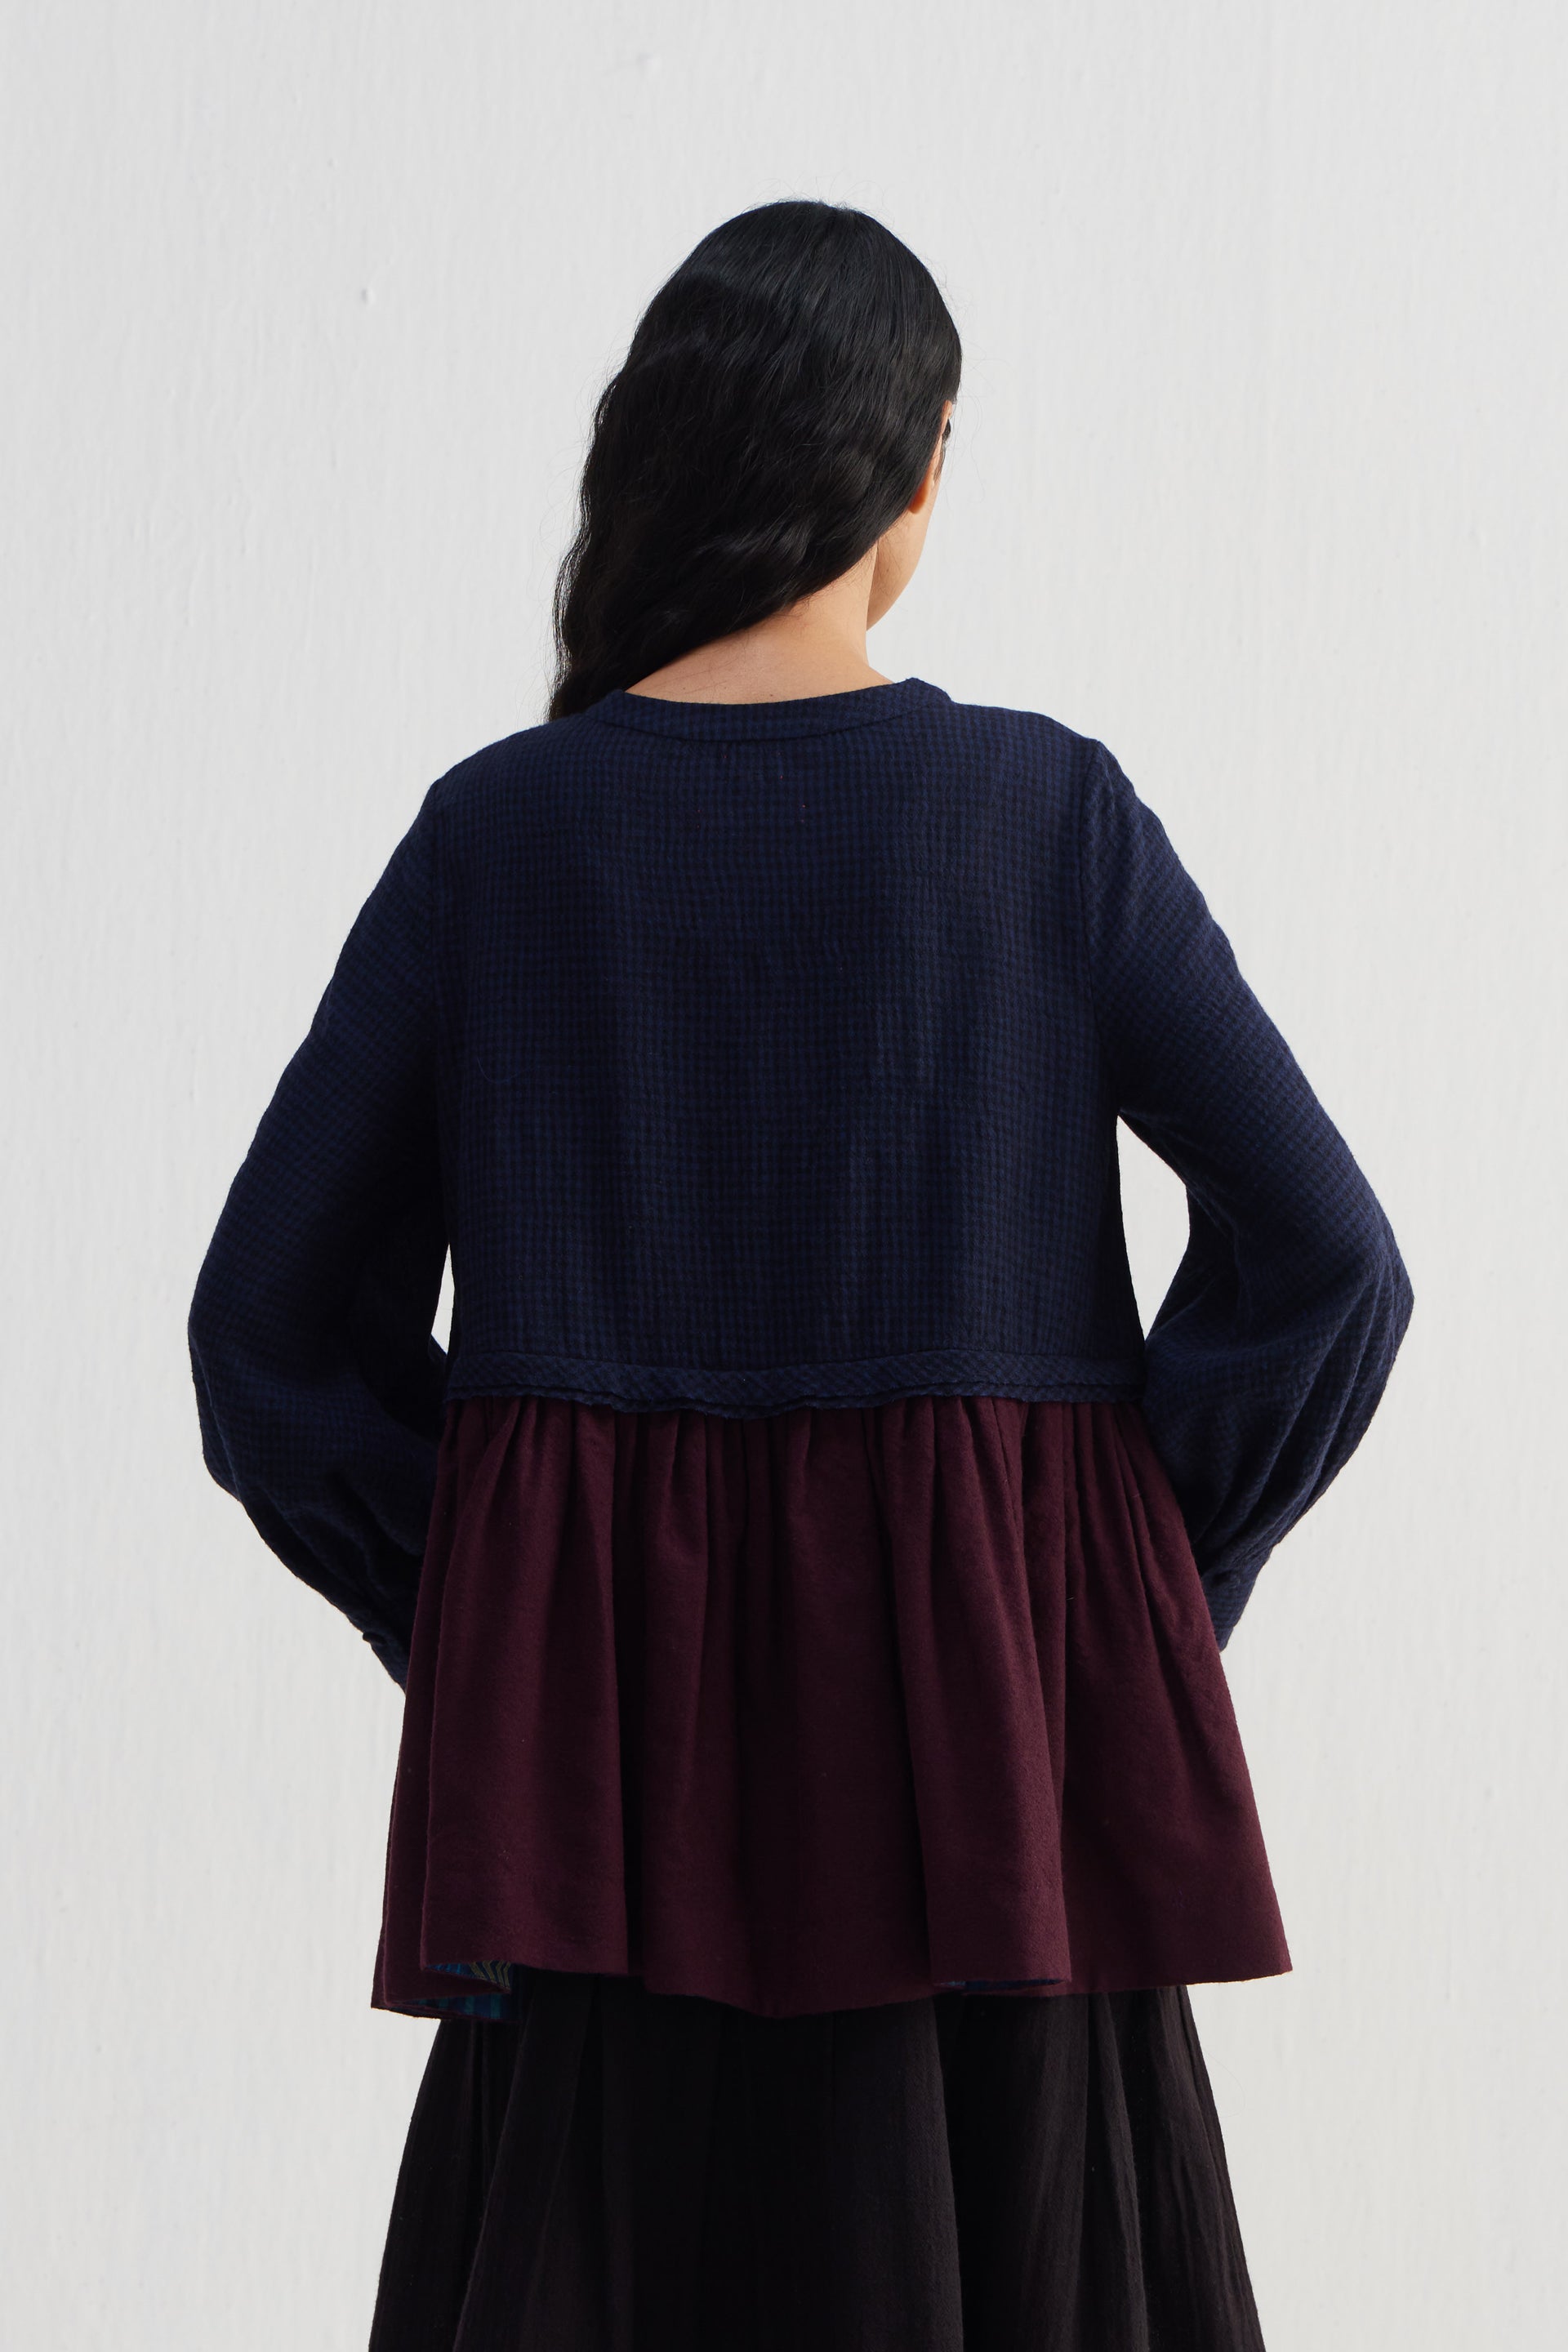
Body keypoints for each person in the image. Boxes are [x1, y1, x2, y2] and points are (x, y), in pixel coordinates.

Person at [188, 200, 1414, 2351]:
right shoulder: (1040, 818)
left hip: (605, 1859)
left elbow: (266, 1334)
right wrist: (1097, 1602)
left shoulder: (499, 839)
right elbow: (1332, 1266)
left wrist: (501, 1620)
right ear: (913, 470)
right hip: (996, 1849)